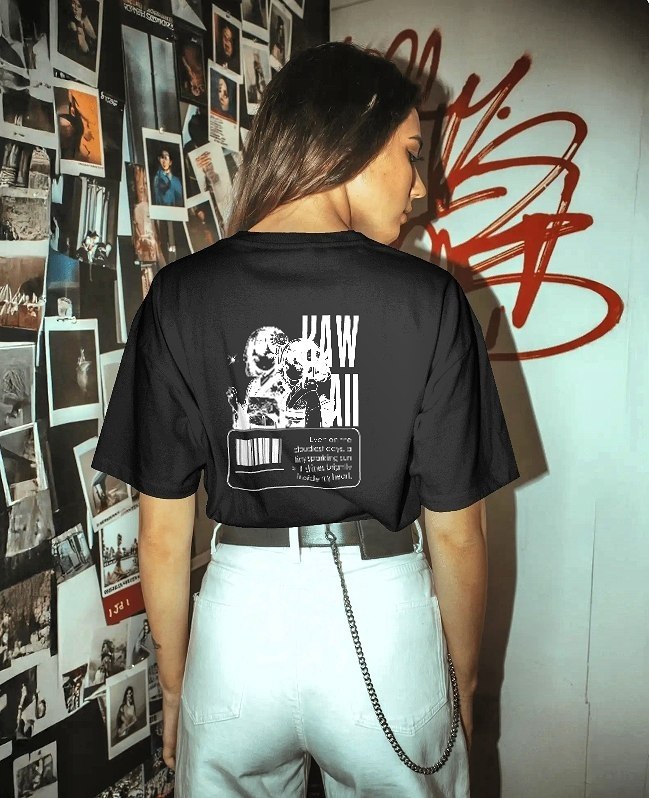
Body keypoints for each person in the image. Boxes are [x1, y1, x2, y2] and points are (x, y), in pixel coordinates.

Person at [91, 41, 519, 796]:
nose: (421, 186)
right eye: (410, 153)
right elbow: (456, 531)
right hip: (382, 628)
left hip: (238, 624)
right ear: (354, 135)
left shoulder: (179, 296)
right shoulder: (429, 300)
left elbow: (160, 532)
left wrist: (176, 687)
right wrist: (463, 678)